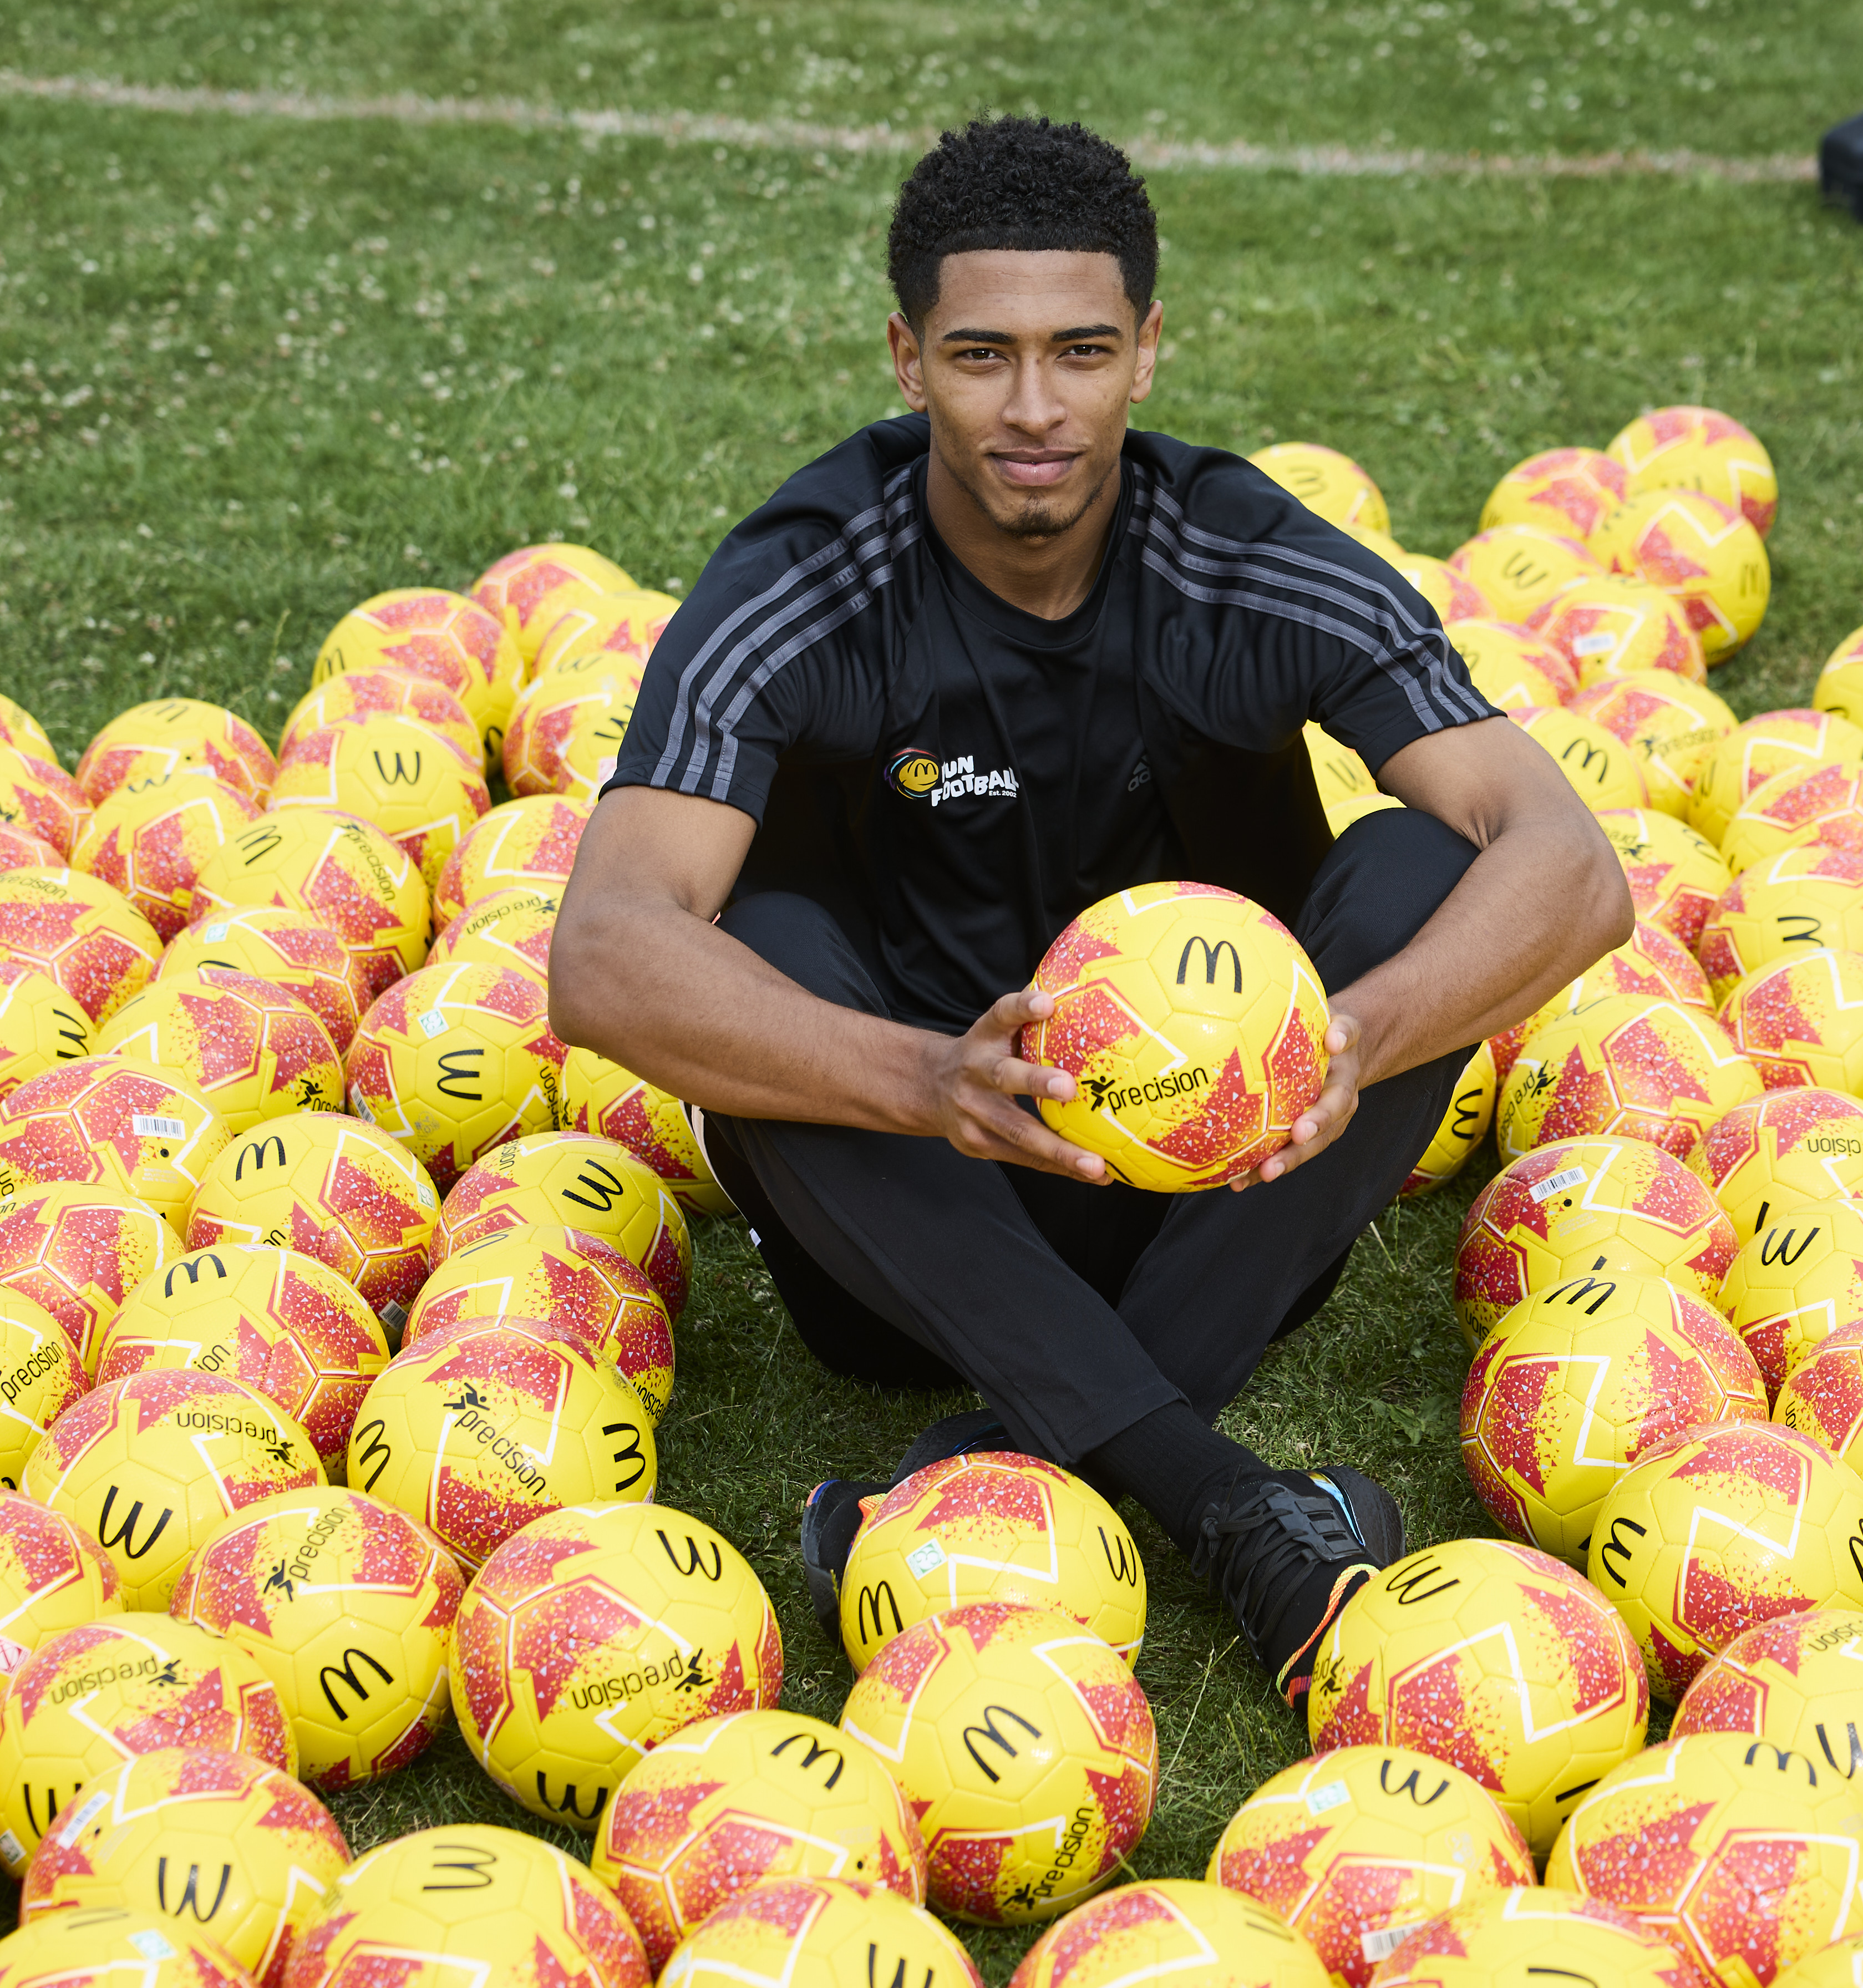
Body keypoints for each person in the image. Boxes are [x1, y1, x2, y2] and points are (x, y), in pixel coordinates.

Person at [550, 115, 1629, 1702]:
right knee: (760, 941)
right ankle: (1224, 1502)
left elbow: (1568, 860)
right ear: (907, 357)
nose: (1036, 408)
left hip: (1225, 1195)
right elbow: (604, 950)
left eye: (1082, 352)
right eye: (983, 356)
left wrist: (1351, 1038)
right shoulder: (806, 578)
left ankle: (992, 1470)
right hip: (909, 1219)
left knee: (1422, 876)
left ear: (1149, 354)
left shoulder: (1244, 557)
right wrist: (928, 1079)